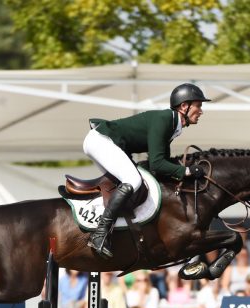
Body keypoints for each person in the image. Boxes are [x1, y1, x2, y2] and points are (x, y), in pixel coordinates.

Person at [83, 83, 210, 259]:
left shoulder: (172, 125)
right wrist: (187, 171)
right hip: (101, 141)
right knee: (133, 181)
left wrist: (182, 169)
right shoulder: (165, 119)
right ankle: (99, 234)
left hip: (104, 143)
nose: (201, 111)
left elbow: (156, 165)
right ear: (184, 106)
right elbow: (158, 164)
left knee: (134, 180)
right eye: (199, 106)